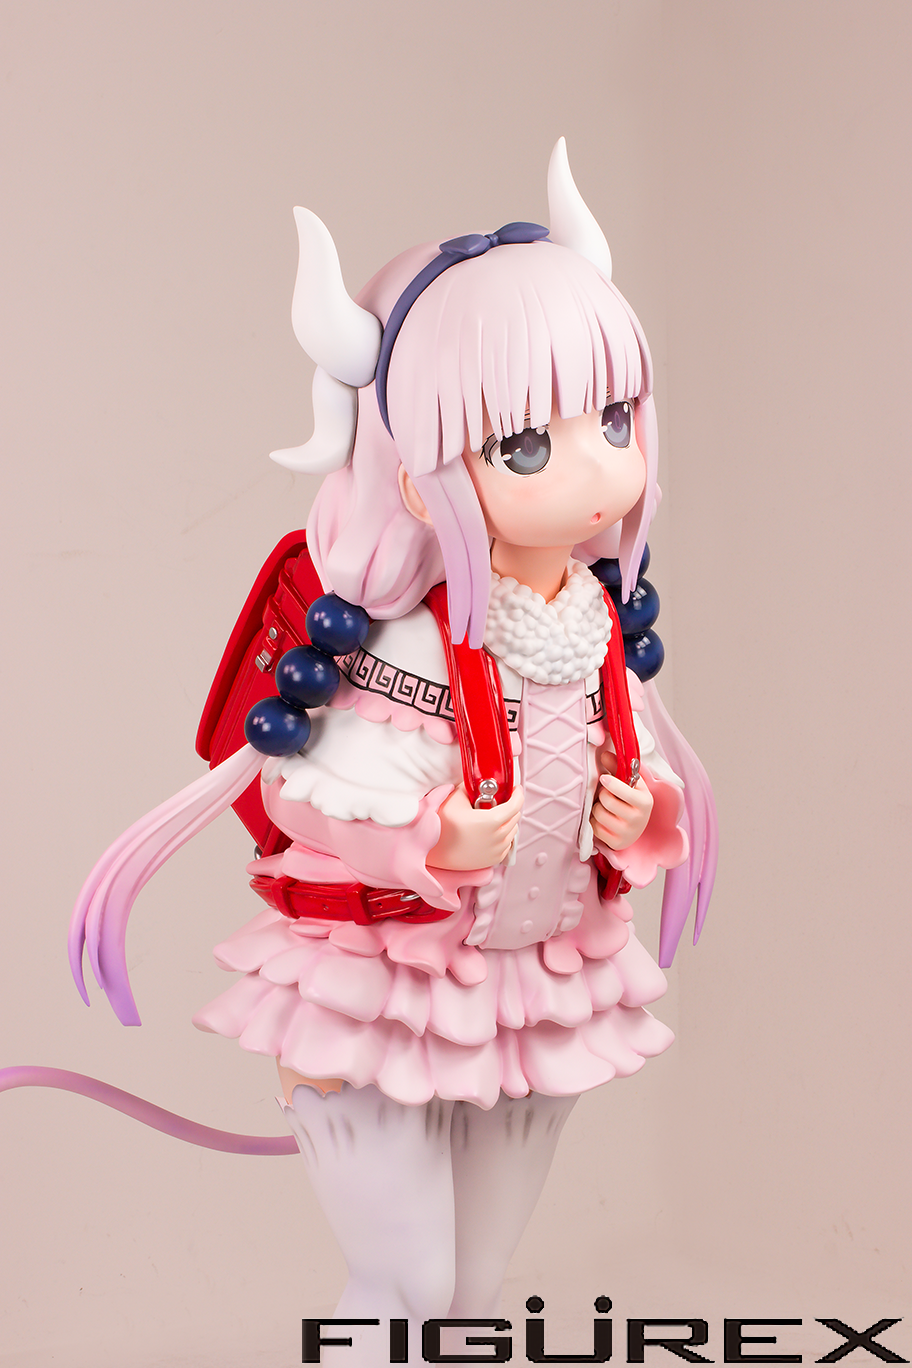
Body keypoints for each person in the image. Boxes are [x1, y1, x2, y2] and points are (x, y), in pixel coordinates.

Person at [63, 139, 717, 1350]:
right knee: (406, 1278)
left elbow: (630, 763)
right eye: (527, 446)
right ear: (419, 480)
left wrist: (644, 814)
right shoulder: (404, 641)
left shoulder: (594, 621)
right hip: (387, 982)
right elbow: (309, 787)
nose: (597, 468)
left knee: (472, 1291)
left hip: (536, 979)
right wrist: (428, 837)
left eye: (616, 419)